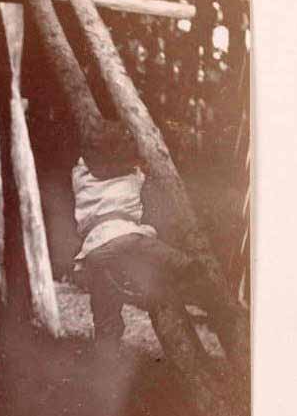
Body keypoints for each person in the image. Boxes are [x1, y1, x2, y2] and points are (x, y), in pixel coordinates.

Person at [71, 121, 205, 353]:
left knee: (105, 309)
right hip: (123, 235)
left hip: (93, 250)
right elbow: (141, 169)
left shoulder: (81, 177)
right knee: (155, 249)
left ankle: (105, 353)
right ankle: (187, 267)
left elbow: (92, 163)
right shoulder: (133, 177)